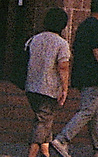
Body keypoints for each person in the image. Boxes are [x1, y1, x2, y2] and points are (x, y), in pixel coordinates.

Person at [52, 0, 98, 157]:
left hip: (81, 72)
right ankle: (63, 139)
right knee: (88, 110)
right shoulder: (97, 26)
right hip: (92, 74)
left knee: (95, 112)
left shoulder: (85, 25)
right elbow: (97, 49)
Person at [23, 8, 71, 157]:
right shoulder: (61, 43)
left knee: (44, 119)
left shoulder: (34, 39)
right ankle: (32, 153)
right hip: (49, 88)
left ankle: (46, 152)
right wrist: (65, 88)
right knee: (43, 122)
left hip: (31, 86)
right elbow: (63, 67)